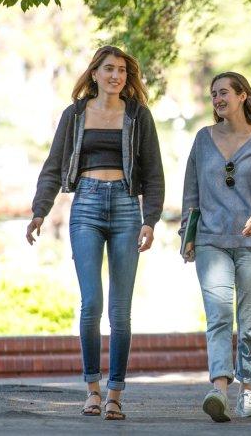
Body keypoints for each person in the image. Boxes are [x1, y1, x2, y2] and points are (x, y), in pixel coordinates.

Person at [26, 45, 164, 421]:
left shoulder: (138, 115)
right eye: (108, 69)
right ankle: (91, 389)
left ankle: (115, 393)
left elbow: (153, 172)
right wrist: (40, 211)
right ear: (94, 74)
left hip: (124, 207)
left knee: (121, 311)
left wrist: (150, 219)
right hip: (85, 205)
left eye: (121, 70)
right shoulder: (74, 115)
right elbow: (54, 164)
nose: (115, 75)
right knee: (91, 304)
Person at [180, 71, 251, 422]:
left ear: (243, 96)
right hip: (212, 240)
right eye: (213, 95)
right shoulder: (202, 139)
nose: (218, 99)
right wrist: (188, 232)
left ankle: (248, 390)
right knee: (219, 315)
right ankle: (219, 390)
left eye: (224, 92)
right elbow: (191, 191)